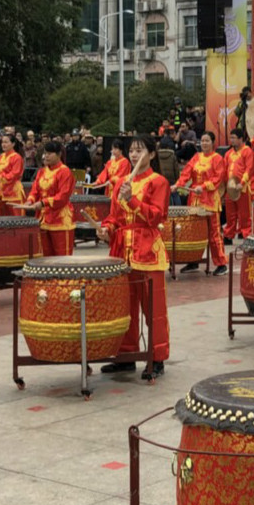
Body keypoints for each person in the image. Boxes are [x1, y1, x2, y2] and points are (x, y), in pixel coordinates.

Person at [99, 136, 170, 380]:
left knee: (154, 309)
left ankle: (157, 357)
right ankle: (126, 356)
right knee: (124, 307)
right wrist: (106, 229)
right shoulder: (120, 183)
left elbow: (157, 216)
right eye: (132, 151)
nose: (134, 155)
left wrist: (133, 200)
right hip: (123, 252)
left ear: (151, 155)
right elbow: (114, 217)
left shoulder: (158, 182)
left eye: (140, 150)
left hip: (148, 249)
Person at [175, 132, 228, 275]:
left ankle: (221, 263)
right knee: (193, 232)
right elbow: (186, 173)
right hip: (195, 200)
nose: (204, 143)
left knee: (214, 233)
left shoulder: (217, 159)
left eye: (207, 141)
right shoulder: (196, 157)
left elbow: (218, 178)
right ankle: (193, 261)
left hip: (209, 200)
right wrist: (178, 184)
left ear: (213, 142)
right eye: (202, 141)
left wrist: (203, 187)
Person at [21, 141, 75, 256]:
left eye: (50, 153)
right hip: (44, 219)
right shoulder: (42, 171)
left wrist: (43, 203)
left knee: (62, 258)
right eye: (46, 153)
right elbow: (35, 189)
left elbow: (63, 196)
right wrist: (30, 200)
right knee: (46, 257)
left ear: (59, 154)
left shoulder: (64, 171)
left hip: (60, 219)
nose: (47, 156)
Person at [223, 128, 254, 241]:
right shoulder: (228, 153)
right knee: (230, 213)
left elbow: (249, 169)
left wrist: (242, 183)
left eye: (234, 138)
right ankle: (228, 235)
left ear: (241, 139)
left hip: (242, 188)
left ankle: (246, 233)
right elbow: (224, 170)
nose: (231, 140)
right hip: (230, 187)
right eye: (231, 138)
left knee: (244, 214)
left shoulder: (247, 151)